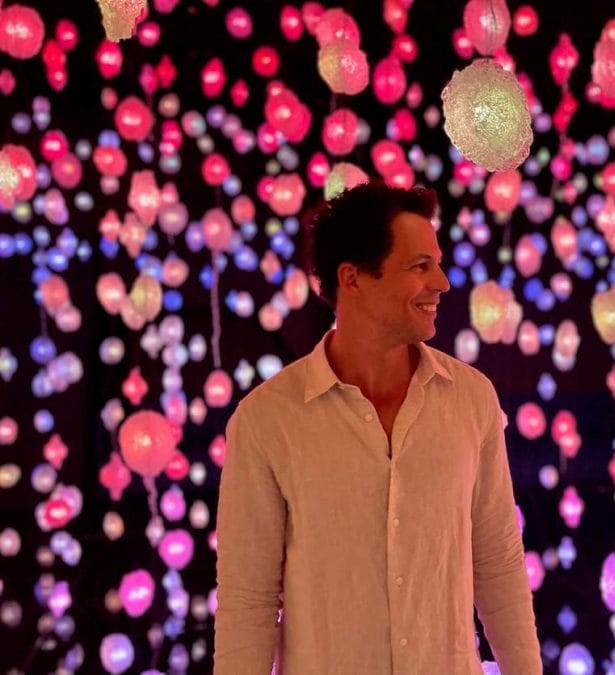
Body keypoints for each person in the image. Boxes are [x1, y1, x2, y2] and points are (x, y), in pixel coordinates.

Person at [214, 182, 542, 674]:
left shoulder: (472, 400)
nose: (443, 282)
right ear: (352, 278)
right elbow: (249, 602)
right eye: (419, 266)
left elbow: (498, 564)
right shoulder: (268, 420)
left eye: (437, 262)